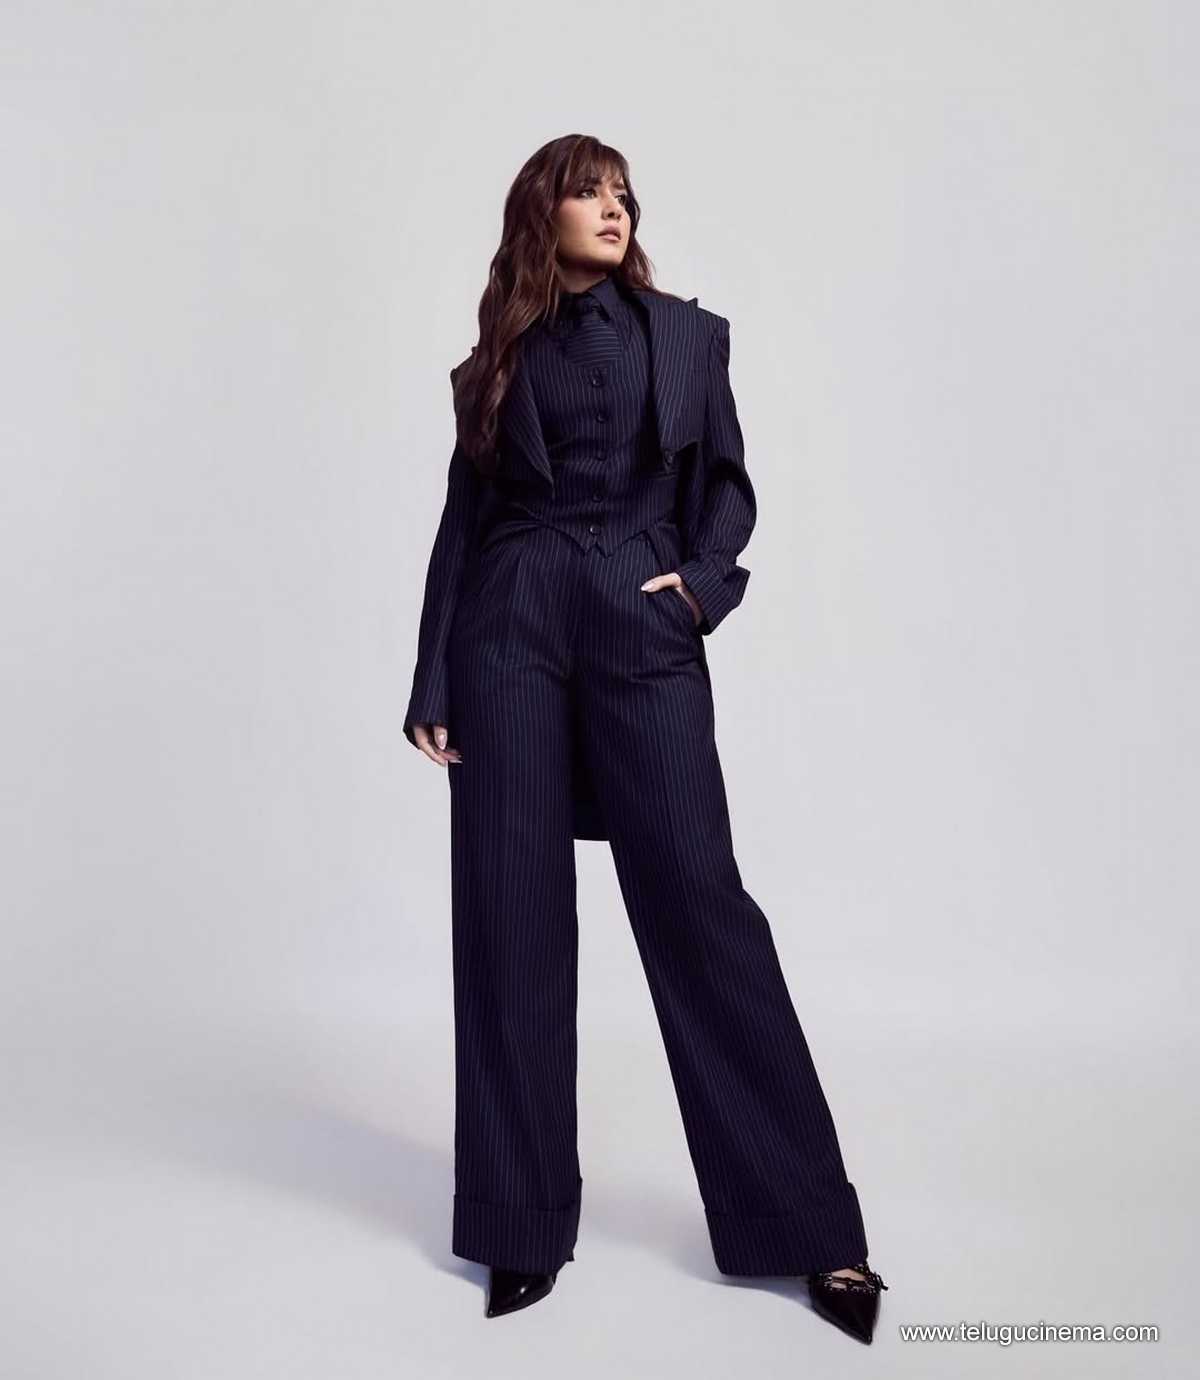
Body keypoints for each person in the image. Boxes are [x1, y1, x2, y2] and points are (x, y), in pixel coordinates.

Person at [403, 134, 888, 1343]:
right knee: (510, 915)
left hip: (638, 612)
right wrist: (433, 674)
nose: (612, 209)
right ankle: (518, 1224)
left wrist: (702, 590)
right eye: (588, 192)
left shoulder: (686, 338)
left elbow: (726, 485)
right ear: (542, 214)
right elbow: (464, 522)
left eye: (622, 193)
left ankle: (807, 1228)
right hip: (510, 628)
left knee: (699, 902)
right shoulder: (494, 360)